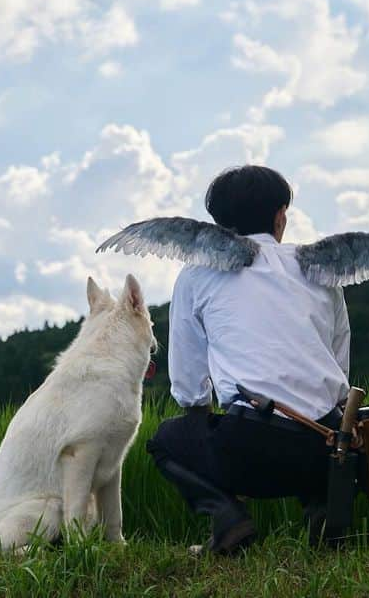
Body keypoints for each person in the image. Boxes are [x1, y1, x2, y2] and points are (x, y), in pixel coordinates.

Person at [146, 165, 351, 555]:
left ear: (219, 223)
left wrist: (205, 421)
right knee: (330, 420)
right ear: (279, 216)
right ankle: (324, 517)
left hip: (247, 448)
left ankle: (228, 519)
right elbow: (339, 363)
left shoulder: (197, 274)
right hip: (326, 450)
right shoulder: (321, 271)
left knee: (168, 439)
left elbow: (189, 385)